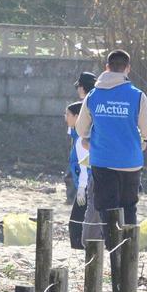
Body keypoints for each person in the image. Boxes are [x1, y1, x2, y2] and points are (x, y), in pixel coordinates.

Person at [75, 50, 147, 226]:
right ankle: (129, 251)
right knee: (129, 209)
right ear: (128, 69)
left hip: (102, 162)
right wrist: (143, 140)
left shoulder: (93, 95)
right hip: (131, 162)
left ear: (107, 67)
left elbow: (81, 129)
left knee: (108, 212)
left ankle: (114, 253)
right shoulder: (138, 95)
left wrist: (89, 138)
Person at [64, 72, 95, 202]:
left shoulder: (79, 108)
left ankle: (74, 199)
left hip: (82, 151)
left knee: (78, 175)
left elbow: (73, 136)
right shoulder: (98, 104)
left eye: (78, 87)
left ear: (82, 88)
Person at [65, 100, 91, 249]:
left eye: (68, 114)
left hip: (87, 185)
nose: (65, 117)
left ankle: (79, 248)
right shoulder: (77, 136)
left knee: (75, 223)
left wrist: (82, 188)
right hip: (85, 184)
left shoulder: (82, 139)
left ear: (77, 116)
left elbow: (84, 166)